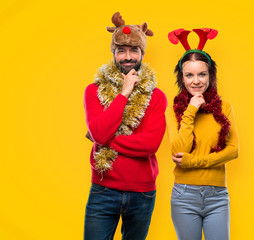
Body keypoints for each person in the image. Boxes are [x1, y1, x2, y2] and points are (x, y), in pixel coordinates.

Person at [83, 12, 167, 240]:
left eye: (133, 51)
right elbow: (99, 133)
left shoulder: (157, 96)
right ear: (113, 53)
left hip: (142, 192)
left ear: (142, 54)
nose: (127, 57)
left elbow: (150, 144)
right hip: (103, 190)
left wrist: (106, 139)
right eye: (121, 50)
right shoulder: (94, 91)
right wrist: (124, 93)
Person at [166, 28, 239, 240]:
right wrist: (190, 110)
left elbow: (233, 151)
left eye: (202, 74)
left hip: (217, 197)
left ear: (210, 75)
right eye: (189, 75)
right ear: (182, 77)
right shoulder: (173, 110)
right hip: (184, 196)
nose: (196, 81)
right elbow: (179, 151)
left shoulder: (225, 107)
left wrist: (194, 162)